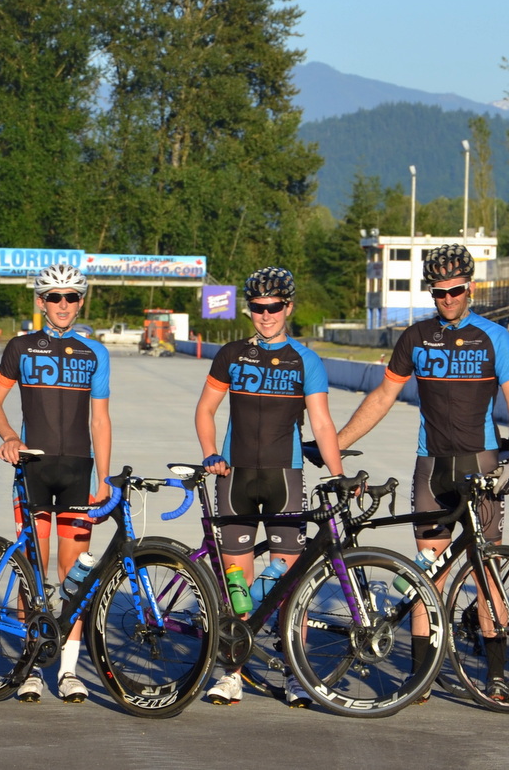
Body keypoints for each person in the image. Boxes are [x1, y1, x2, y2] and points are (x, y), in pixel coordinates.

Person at [336, 244, 509, 702]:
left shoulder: (493, 337)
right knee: (429, 574)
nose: (447, 299)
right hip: (432, 467)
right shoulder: (417, 336)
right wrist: (336, 444)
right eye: (438, 292)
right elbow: (384, 396)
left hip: (481, 463)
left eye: (456, 290)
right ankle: (421, 676)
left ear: (471, 288)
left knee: (488, 573)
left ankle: (496, 676)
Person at [196, 267, 345, 708]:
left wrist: (335, 475)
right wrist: (210, 453)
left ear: (289, 307)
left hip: (286, 479)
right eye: (258, 308)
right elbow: (205, 409)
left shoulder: (305, 359)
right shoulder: (231, 355)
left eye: (274, 307)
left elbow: (321, 421)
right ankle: (232, 674)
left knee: (288, 587)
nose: (265, 316)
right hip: (235, 477)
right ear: (249, 309)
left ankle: (295, 676)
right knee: (238, 585)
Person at [0, 263, 112, 703]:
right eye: (54, 297)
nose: (62, 305)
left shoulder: (95, 352)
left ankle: (69, 671)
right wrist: (10, 437)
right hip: (33, 469)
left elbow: (100, 418)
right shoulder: (20, 348)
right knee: (32, 574)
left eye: (71, 297)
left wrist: (105, 477)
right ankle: (33, 664)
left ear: (80, 303)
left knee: (74, 575)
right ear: (40, 301)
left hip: (78, 471)